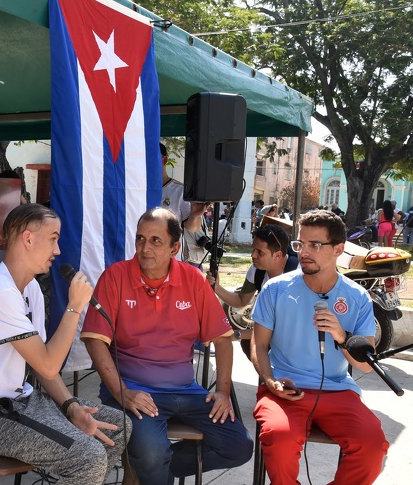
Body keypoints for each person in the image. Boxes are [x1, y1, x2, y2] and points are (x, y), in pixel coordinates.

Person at [0, 203, 130, 484]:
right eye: (53, 239)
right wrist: (74, 308)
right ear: (28, 239)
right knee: (87, 457)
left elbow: (43, 368)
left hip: (20, 401)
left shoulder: (30, 288)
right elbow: (48, 362)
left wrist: (71, 407)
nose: (57, 250)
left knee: (119, 427)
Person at [81, 207, 253, 485]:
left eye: (155, 240)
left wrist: (221, 392)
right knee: (150, 454)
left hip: (187, 391)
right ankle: (148, 465)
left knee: (239, 445)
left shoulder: (194, 279)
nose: (144, 247)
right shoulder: (115, 276)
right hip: (135, 392)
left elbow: (223, 340)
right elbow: (93, 339)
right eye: (140, 239)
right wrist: (122, 391)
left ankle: (147, 469)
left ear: (175, 247)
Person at [251, 210, 388, 485]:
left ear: (338, 249)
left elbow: (364, 365)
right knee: (279, 438)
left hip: (338, 390)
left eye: (315, 245)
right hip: (286, 389)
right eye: (300, 244)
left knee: (373, 445)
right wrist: (270, 380)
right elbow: (259, 344)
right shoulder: (275, 289)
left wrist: (341, 335)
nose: (304, 252)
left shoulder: (357, 297)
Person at [207, 225, 299, 358]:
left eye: (260, 252)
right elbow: (241, 301)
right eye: (253, 249)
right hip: (275, 337)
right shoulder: (257, 271)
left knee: (251, 340)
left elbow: (289, 330)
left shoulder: (298, 274)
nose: (252, 255)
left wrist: (238, 334)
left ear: (278, 255)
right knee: (249, 344)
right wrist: (217, 288)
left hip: (298, 344)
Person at [159, 143, 205, 262]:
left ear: (164, 160)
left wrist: (194, 215)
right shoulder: (136, 191)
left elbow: (191, 227)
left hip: (170, 260)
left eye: (151, 156)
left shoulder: (180, 191)